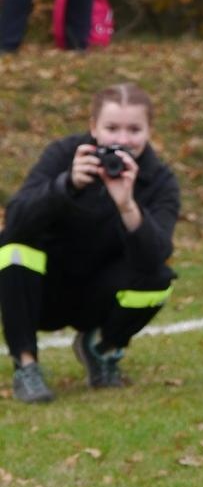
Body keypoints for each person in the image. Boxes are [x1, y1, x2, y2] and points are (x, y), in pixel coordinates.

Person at [0, 83, 179, 402]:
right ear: (93, 127)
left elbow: (156, 257)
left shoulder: (159, 179)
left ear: (149, 131)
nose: (122, 140)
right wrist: (65, 185)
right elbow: (15, 223)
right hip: (45, 290)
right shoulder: (63, 155)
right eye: (112, 128)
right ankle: (26, 366)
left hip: (100, 293)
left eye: (134, 129)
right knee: (12, 252)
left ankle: (101, 347)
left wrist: (127, 206)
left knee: (159, 280)